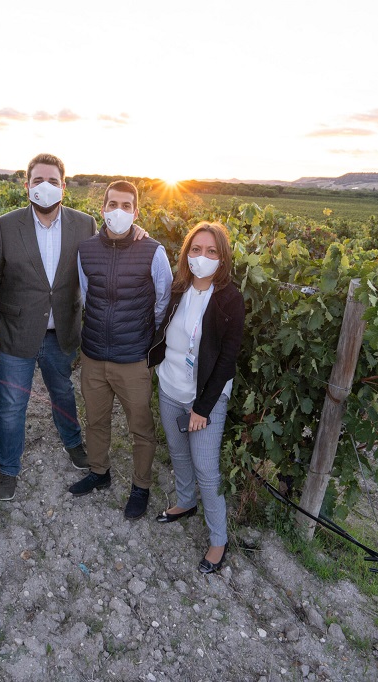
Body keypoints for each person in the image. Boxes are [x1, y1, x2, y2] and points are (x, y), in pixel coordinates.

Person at [0, 153, 95, 502]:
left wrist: (137, 232)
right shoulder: (5, 225)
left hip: (61, 331)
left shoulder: (85, 224)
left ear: (64, 185)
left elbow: (103, 258)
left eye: (52, 181)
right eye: (38, 180)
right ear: (26, 185)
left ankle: (73, 443)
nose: (45, 186)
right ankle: (9, 469)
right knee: (12, 406)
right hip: (15, 332)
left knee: (63, 393)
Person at [67, 180, 173, 521]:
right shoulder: (86, 250)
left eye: (126, 206)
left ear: (136, 212)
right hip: (94, 355)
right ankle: (99, 471)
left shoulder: (153, 251)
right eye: (113, 204)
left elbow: (163, 302)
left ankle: (140, 486)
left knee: (140, 427)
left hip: (133, 359)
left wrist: (143, 339)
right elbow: (87, 295)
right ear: (103, 209)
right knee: (96, 420)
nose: (119, 211)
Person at [148, 221, 245, 574]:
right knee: (177, 452)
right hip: (170, 387)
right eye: (196, 249)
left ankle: (219, 539)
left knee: (205, 467)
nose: (202, 257)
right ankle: (186, 502)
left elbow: (227, 359)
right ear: (187, 253)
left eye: (211, 251)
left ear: (223, 258)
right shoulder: (179, 288)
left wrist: (202, 408)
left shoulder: (230, 299)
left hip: (207, 396)